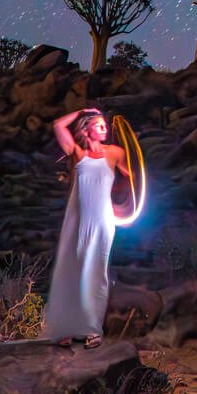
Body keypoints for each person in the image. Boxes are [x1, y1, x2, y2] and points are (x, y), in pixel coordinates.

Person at [43, 108, 129, 347]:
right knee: (73, 272)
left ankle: (93, 330)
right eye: (99, 124)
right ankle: (68, 329)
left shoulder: (115, 153)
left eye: (105, 125)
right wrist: (81, 111)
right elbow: (59, 124)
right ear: (86, 129)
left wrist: (123, 207)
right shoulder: (77, 153)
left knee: (96, 273)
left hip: (103, 220)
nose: (105, 128)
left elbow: (135, 180)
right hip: (77, 219)